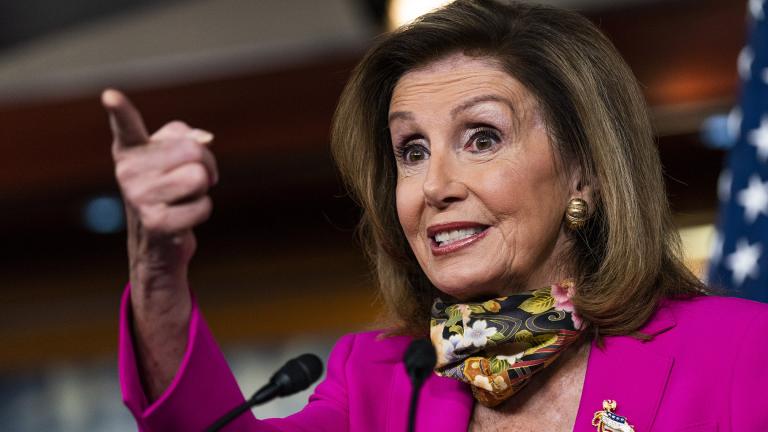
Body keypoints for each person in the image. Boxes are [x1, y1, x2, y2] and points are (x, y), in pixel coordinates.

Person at [104, 0, 768, 430]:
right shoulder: (376, 380)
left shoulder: (739, 351)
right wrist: (158, 271)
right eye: (412, 151)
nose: (434, 187)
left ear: (584, 174)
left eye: (482, 138)